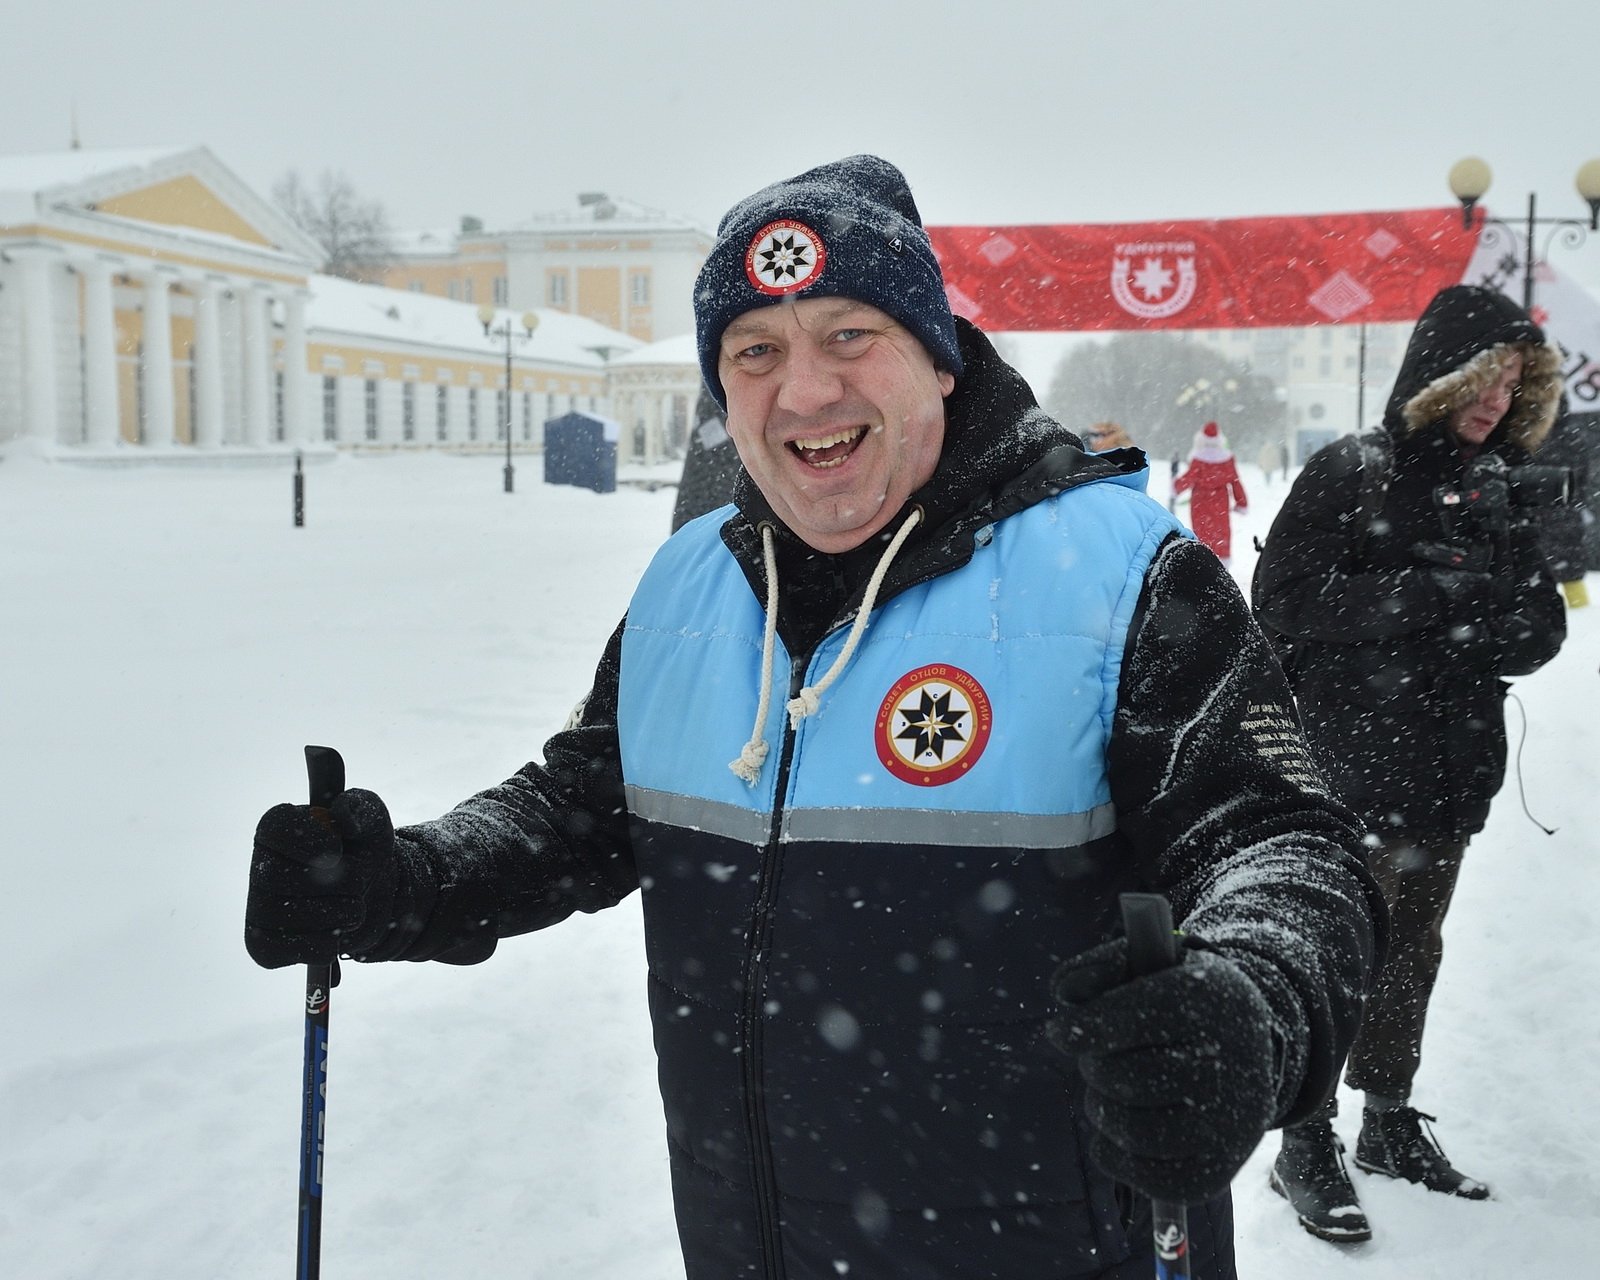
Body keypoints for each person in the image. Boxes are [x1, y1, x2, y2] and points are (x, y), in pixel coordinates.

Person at [245, 155, 1383, 1280]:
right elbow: (580, 805)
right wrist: (403, 878)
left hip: (1051, 1244)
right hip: (753, 1240)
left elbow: (1286, 850)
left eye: (850, 334)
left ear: (937, 359)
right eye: (756, 351)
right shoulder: (688, 582)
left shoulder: (1122, 573)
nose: (804, 391)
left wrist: (1248, 1002)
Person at [1254, 284, 1567, 1244]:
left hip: (1446, 770)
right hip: (1349, 766)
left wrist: (1484, 615)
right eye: (1486, 377)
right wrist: (1428, 598)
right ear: (1443, 372)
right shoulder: (1353, 470)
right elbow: (1282, 602)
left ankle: (1388, 1121)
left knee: (1413, 951)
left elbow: (1541, 625)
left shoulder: (1499, 486)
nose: (1497, 399)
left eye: (1515, 383)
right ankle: (1304, 1140)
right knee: (1340, 950)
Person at [1173, 421, 1248, 559]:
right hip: (1220, 501)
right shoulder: (1227, 459)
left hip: (1200, 501)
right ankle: (1222, 559)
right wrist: (1241, 502)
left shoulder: (1199, 459)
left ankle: (1202, 559)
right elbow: (1235, 481)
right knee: (1221, 531)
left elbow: (1189, 477)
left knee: (1202, 531)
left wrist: (1176, 487)